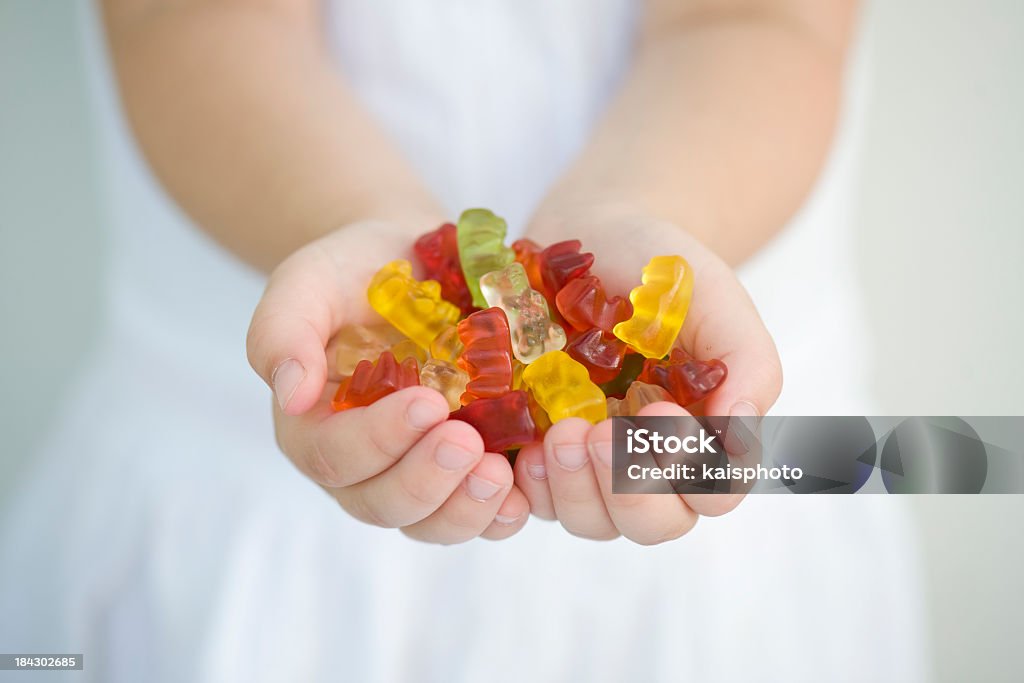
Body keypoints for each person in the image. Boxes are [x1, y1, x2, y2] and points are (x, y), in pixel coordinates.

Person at [0, 0, 926, 680]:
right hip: (236, 502)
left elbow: (762, 23)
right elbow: (190, 24)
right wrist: (355, 218)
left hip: (730, 555)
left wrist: (640, 214)